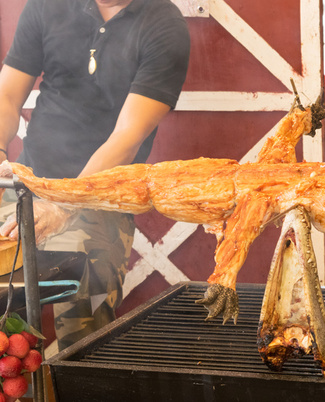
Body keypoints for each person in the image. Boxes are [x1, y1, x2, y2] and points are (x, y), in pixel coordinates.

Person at [0, 0, 190, 351]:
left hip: (100, 199)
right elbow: (7, 97)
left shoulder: (164, 24)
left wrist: (61, 205)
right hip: (25, 186)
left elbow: (126, 138)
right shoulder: (45, 6)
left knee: (82, 323)